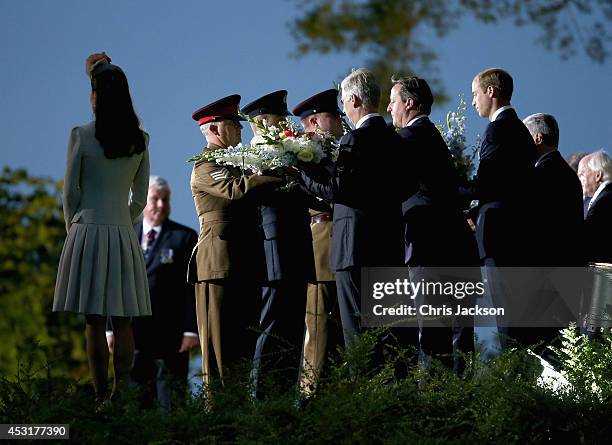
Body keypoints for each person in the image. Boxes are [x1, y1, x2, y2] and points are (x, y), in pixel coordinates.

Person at [53, 53, 150, 407]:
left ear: (96, 95)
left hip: (87, 229)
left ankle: (99, 396)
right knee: (123, 318)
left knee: (94, 320)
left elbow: (71, 193)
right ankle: (120, 392)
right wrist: (124, 221)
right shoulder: (140, 139)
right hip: (122, 231)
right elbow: (140, 198)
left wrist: (74, 228)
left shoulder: (81, 135)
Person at [299, 69, 406, 358]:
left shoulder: (354, 140)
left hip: (354, 249)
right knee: (389, 333)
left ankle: (367, 400)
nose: (344, 110)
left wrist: (302, 170)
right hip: (390, 245)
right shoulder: (395, 140)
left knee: (358, 338)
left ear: (355, 100)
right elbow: (406, 186)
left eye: (344, 102)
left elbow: (336, 188)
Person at [189, 94, 283, 386]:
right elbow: (236, 189)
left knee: (243, 353)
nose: (241, 130)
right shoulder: (205, 165)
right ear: (215, 129)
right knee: (220, 355)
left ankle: (238, 420)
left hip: (244, 264)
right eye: (234, 124)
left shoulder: (237, 162)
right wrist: (278, 173)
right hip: (218, 266)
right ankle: (217, 423)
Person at [387, 76, 479, 371]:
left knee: (431, 337)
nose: (389, 107)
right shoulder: (432, 137)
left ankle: (434, 410)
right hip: (455, 249)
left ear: (409, 103)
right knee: (456, 341)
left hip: (429, 249)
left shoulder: (408, 139)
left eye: (393, 100)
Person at [241, 90, 316, 396]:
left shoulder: (290, 152)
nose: (285, 122)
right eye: (279, 117)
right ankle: (262, 397)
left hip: (297, 244)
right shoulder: (251, 156)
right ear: (261, 122)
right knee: (272, 325)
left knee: (294, 328)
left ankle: (284, 396)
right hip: (272, 251)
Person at [107, 176, 199, 408]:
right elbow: (114, 286)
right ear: (141, 201)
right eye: (155, 199)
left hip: (172, 334)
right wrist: (110, 329)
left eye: (165, 200)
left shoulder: (185, 237)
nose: (160, 205)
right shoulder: (124, 235)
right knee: (137, 400)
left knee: (172, 400)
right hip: (133, 333)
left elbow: (191, 289)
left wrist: (191, 329)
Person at [465, 68, 537, 350]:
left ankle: (513, 382)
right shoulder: (519, 130)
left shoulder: (498, 129)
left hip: (499, 234)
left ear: (491, 92)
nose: (473, 102)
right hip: (516, 232)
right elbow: (505, 185)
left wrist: (448, 188)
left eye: (475, 94)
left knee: (507, 320)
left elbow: (488, 184)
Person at [292, 89, 344, 392]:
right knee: (319, 330)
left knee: (339, 333)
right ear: (314, 121)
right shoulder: (302, 153)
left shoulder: (337, 150)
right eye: (332, 115)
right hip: (322, 248)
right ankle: (311, 397)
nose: (338, 120)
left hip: (343, 245)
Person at [579, 151, 612, 263]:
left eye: (582, 174)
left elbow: (587, 239)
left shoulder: (605, 200)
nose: (579, 180)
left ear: (598, 175)